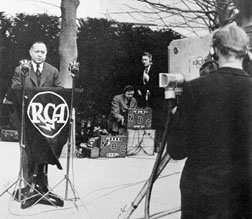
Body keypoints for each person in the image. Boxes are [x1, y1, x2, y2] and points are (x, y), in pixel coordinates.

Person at [166, 22, 252, 219]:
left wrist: (176, 118)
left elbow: (176, 151)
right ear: (246, 52)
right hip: (245, 198)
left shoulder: (194, 89)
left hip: (202, 198)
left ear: (214, 51)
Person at [9, 41, 62, 205]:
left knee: (44, 150)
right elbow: (15, 89)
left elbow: (59, 92)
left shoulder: (53, 71)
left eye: (43, 52)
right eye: (37, 51)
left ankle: (42, 186)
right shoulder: (21, 69)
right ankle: (27, 186)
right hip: (25, 119)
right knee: (26, 151)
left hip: (45, 120)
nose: (40, 55)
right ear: (30, 52)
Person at [135, 52, 165, 151]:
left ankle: (158, 144)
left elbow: (158, 84)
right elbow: (140, 83)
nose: (143, 62)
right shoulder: (142, 71)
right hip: (146, 98)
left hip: (156, 98)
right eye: (142, 60)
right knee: (148, 120)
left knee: (157, 120)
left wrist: (150, 90)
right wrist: (140, 90)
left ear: (150, 60)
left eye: (145, 60)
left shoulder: (156, 70)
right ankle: (148, 145)